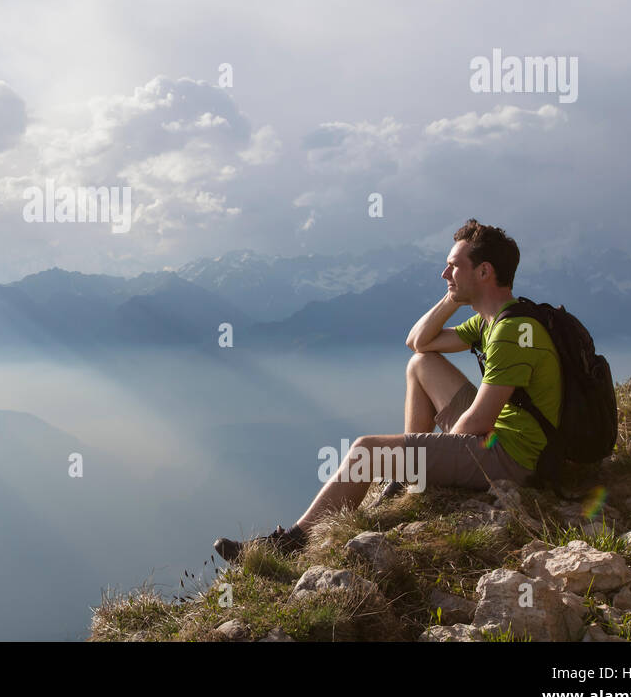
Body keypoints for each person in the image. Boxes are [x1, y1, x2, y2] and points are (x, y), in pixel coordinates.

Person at [213, 219, 562, 562]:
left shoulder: (513, 332)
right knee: (421, 364)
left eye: (454, 267)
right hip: (502, 434)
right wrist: (453, 297)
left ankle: (292, 544)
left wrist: (422, 460)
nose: (444, 275)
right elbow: (418, 343)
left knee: (365, 450)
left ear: (484, 272)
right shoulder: (491, 321)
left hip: (515, 459)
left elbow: (477, 423)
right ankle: (406, 480)